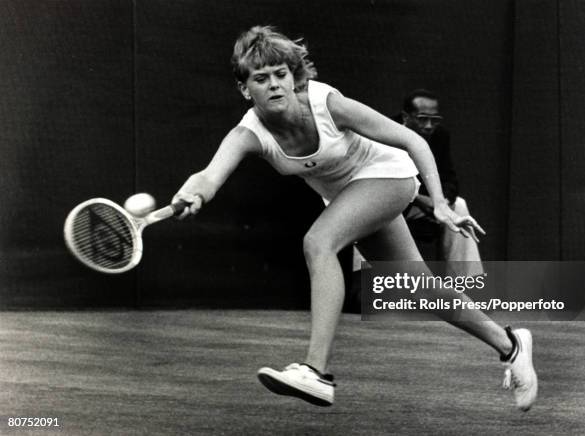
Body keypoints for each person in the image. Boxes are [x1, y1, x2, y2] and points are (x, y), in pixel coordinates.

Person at [172, 25, 537, 411]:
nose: (275, 85)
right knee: (421, 291)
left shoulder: (327, 103)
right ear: (246, 89)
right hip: (349, 196)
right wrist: (192, 193)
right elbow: (210, 175)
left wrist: (442, 204)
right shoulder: (250, 133)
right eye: (261, 79)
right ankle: (511, 345)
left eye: (281, 74)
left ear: (292, 76)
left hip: (390, 178)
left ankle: (316, 372)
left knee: (318, 242)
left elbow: (411, 140)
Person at [400, 89, 483, 277]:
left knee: (459, 207)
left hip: (425, 205)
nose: (429, 126)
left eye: (434, 120)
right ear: (406, 116)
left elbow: (449, 178)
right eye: (422, 119)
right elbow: (381, 182)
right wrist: (420, 200)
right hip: (393, 202)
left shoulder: (440, 135)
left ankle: (465, 283)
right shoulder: (387, 130)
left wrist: (443, 203)